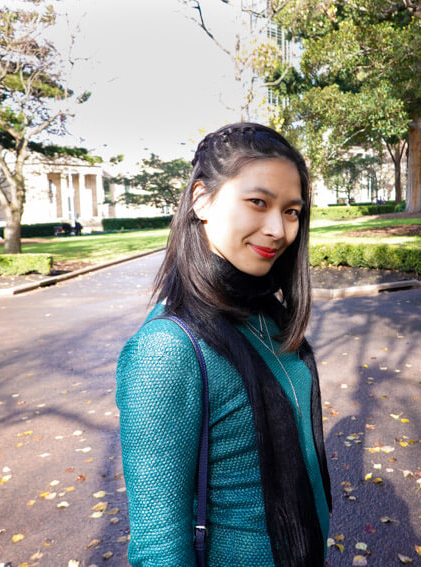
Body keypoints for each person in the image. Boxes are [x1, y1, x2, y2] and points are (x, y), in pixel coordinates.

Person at [116, 123, 332, 567]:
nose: (278, 229)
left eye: (292, 211)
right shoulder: (167, 351)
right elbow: (158, 550)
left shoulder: (267, 314)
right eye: (258, 202)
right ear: (201, 200)